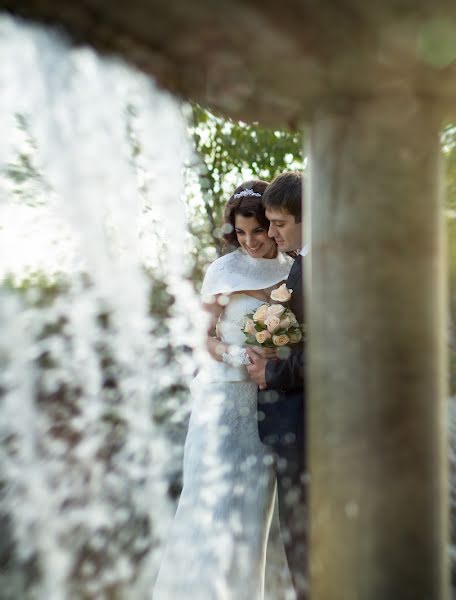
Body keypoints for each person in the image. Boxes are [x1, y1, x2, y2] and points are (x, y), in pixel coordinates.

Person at [154, 181, 294, 599]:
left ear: (272, 225)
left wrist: (277, 354)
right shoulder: (222, 270)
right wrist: (239, 357)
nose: (250, 241)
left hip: (269, 406)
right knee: (209, 508)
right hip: (222, 402)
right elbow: (201, 339)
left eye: (258, 231)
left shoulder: (294, 269)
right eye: (241, 233)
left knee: (250, 519)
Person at [246, 171, 309, 597]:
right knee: (300, 550)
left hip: (311, 431)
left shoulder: (326, 268)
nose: (270, 234)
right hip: (293, 427)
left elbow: (335, 350)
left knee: (308, 551)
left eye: (279, 224)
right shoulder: (304, 265)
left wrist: (273, 372)